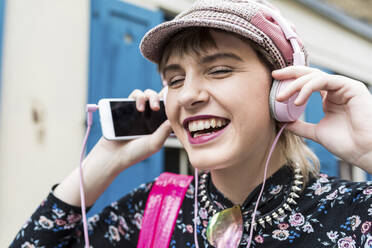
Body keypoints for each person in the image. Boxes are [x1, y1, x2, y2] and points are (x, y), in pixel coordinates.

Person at [10, 0, 372, 247]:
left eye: (218, 70)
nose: (187, 96)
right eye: (175, 79)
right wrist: (101, 164)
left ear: (284, 91)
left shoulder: (356, 212)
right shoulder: (152, 208)